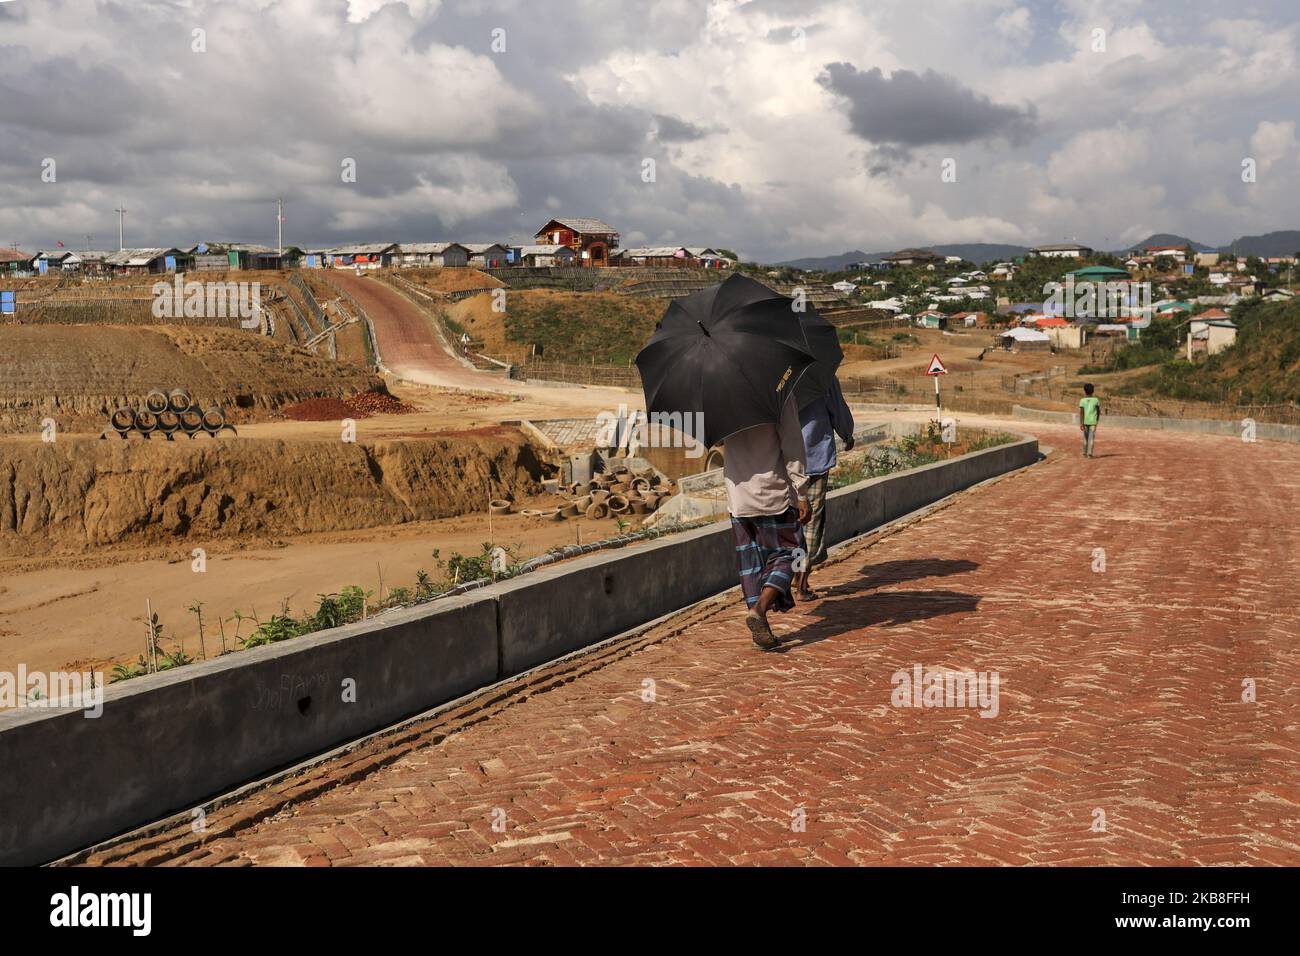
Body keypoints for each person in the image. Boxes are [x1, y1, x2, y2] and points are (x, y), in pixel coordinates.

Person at [723, 394, 810, 650]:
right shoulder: (780, 393)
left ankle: (759, 626)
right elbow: (792, 446)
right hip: (773, 494)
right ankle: (760, 609)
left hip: (737, 496)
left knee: (750, 564)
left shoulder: (721, 397)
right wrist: (802, 493)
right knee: (793, 553)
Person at [793, 378, 855, 600]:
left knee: (791, 524)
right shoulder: (822, 374)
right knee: (810, 524)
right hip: (815, 459)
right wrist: (847, 434)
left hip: (784, 462)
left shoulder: (777, 372)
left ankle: (793, 573)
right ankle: (801, 584)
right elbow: (837, 408)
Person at [1079, 382, 1101, 458]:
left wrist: (1081, 423)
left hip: (1085, 422)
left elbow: (1081, 413)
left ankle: (1084, 453)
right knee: (1091, 438)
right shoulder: (1096, 400)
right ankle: (1090, 454)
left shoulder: (1082, 401)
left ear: (1084, 391)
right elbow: (1098, 411)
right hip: (1093, 422)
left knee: (1085, 438)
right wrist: (1097, 420)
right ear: (1093, 391)